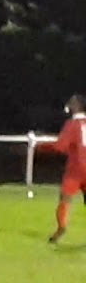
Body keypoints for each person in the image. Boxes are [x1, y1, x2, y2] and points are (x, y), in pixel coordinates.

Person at [38, 94, 86, 244]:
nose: (68, 104)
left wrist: (40, 145)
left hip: (76, 169)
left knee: (65, 199)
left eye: (71, 102)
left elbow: (60, 147)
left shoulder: (72, 124)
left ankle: (61, 228)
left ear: (77, 106)